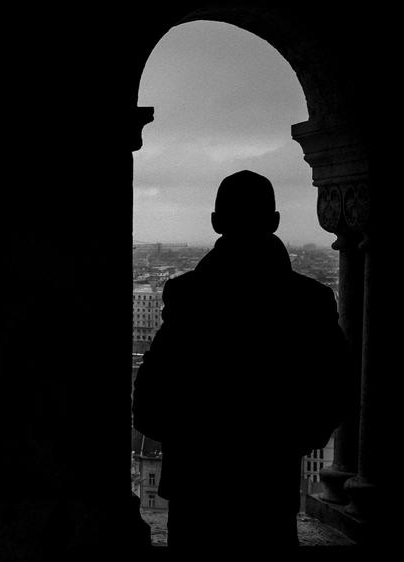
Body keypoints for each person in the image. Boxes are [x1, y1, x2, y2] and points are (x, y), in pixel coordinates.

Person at [132, 170, 350, 550]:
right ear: (276, 221)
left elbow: (148, 403)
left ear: (216, 222)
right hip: (270, 491)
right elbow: (338, 390)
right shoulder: (309, 301)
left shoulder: (188, 298)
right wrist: (288, 442)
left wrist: (193, 441)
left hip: (197, 496)